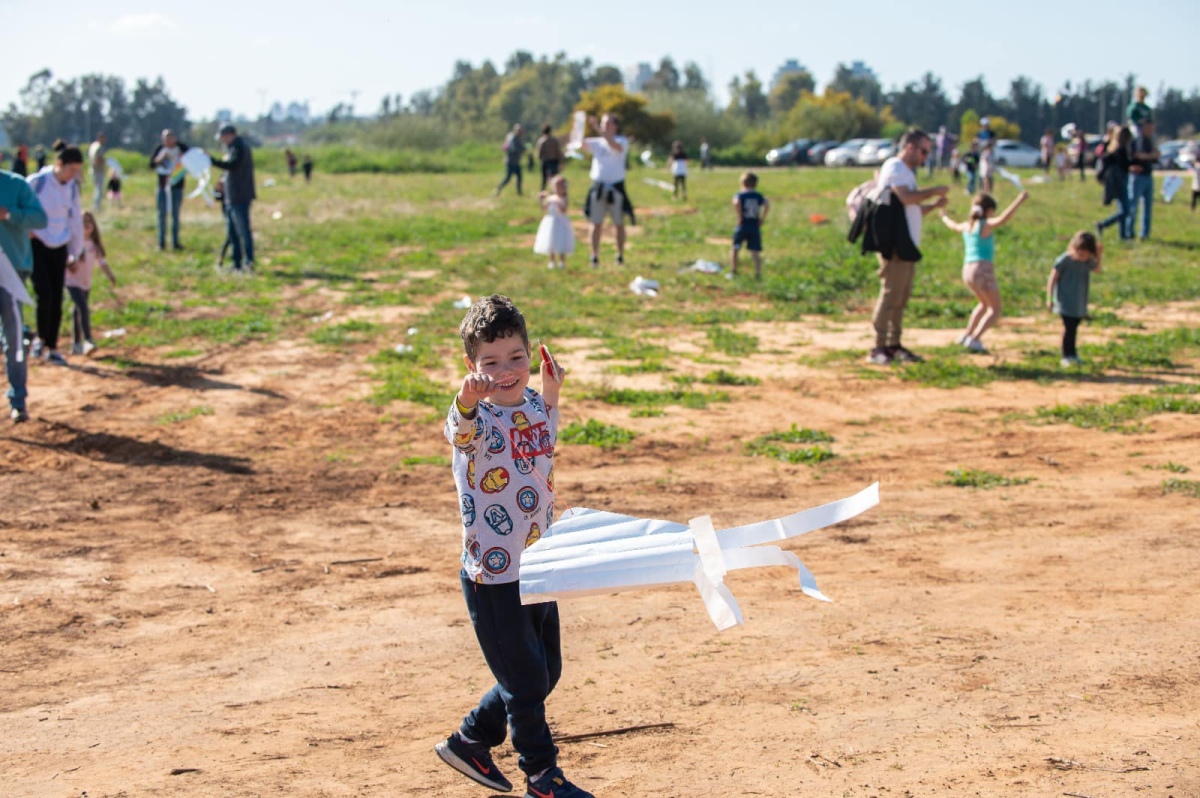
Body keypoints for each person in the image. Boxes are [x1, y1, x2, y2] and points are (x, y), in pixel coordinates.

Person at [434, 295, 592, 798]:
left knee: (545, 670)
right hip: (493, 576)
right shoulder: (475, 421)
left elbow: (544, 438)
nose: (505, 371)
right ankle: (542, 776)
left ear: (530, 352)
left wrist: (550, 391)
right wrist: (465, 397)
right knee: (525, 684)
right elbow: (457, 430)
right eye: (491, 362)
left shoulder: (533, 407)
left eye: (516, 357)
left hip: (539, 565)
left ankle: (472, 738)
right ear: (471, 367)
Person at [864, 128, 949, 365]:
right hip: (895, 245)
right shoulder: (895, 167)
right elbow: (905, 198)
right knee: (891, 294)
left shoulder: (906, 172)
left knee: (901, 297)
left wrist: (933, 205)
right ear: (910, 147)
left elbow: (910, 209)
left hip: (907, 244)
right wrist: (933, 190)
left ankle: (894, 344)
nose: (925, 157)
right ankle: (878, 346)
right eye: (923, 151)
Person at [938, 190, 1029, 354]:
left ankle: (967, 334)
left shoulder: (968, 226)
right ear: (989, 210)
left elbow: (952, 225)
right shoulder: (984, 225)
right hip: (982, 269)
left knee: (983, 304)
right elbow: (1003, 219)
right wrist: (1019, 200)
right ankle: (975, 339)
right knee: (995, 309)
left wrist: (943, 215)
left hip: (967, 270)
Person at [26, 146, 85, 366]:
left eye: (77, 170)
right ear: (59, 164)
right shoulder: (37, 182)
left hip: (59, 245)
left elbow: (75, 221)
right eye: (71, 169)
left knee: (57, 297)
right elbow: (22, 208)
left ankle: (52, 346)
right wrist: (26, 231)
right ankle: (40, 340)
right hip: (37, 243)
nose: (73, 175)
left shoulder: (71, 188)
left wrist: (75, 253)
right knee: (44, 293)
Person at [0, 165, 47, 422]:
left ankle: (18, 399)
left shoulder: (16, 184)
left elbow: (40, 219)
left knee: (13, 338)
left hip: (12, 272)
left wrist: (9, 214)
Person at [581, 114, 635, 267]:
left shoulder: (622, 141)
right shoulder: (596, 142)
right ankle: (594, 256)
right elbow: (581, 145)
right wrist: (579, 128)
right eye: (603, 123)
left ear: (615, 126)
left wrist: (597, 128)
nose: (604, 126)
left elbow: (613, 145)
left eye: (607, 123)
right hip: (598, 187)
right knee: (595, 223)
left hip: (616, 188)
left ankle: (619, 255)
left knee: (618, 223)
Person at [1047, 231, 1102, 367]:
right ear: (1073, 248)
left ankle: (1073, 354)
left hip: (1078, 302)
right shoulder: (1064, 260)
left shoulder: (1087, 262)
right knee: (1069, 328)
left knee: (1074, 328)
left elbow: (1097, 270)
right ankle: (1066, 356)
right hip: (1065, 301)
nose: (1082, 257)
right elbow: (1052, 278)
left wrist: (1099, 254)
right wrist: (1050, 298)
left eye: (1086, 255)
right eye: (1080, 253)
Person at [65, 211, 116, 356]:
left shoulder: (94, 245)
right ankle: (88, 339)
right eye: (82, 222)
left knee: (78, 310)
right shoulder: (74, 243)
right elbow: (67, 258)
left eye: (89, 221)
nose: (86, 225)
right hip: (72, 281)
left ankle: (76, 344)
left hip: (85, 283)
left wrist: (110, 275)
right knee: (83, 307)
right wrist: (70, 263)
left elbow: (102, 263)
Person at [209, 124, 258, 272]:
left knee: (243, 231)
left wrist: (212, 161)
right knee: (232, 232)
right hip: (230, 197)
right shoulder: (231, 148)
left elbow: (232, 165)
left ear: (230, 135)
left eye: (223, 137)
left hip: (240, 196)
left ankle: (248, 262)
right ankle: (236, 263)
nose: (222, 141)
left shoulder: (239, 148)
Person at [150, 129, 188, 251]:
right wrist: (160, 158)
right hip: (162, 187)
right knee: (162, 215)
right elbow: (151, 164)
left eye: (170, 137)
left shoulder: (181, 148)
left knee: (175, 215)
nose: (168, 140)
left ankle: (175, 242)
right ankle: (161, 243)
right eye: (165, 137)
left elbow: (190, 157)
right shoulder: (160, 149)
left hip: (177, 186)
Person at [1096, 127, 1133, 240]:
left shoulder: (1113, 148)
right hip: (1119, 181)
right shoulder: (1121, 150)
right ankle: (1103, 224)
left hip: (1118, 181)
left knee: (1122, 209)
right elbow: (1124, 164)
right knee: (1126, 211)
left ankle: (1123, 236)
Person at [730, 171, 769, 279]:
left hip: (742, 226)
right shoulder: (758, 195)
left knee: (735, 248)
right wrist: (762, 218)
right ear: (755, 184)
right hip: (754, 226)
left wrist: (739, 215)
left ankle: (733, 271)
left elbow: (736, 202)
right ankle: (758, 273)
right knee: (755, 251)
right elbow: (767, 203)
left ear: (742, 183)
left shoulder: (740, 195)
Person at [1126, 120, 1159, 241]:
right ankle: (1129, 232)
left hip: (1148, 175)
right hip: (1137, 177)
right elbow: (1134, 156)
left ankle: (1145, 233)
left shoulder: (1151, 141)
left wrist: (1147, 156)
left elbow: (1156, 155)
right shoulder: (1135, 141)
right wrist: (1149, 155)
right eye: (1149, 127)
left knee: (1148, 207)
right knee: (1133, 205)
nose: (1151, 130)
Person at [533, 175, 574, 270]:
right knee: (551, 241)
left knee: (561, 241)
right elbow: (544, 208)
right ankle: (551, 261)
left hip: (561, 222)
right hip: (550, 222)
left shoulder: (564, 198)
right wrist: (540, 200)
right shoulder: (550, 198)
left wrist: (559, 203)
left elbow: (564, 210)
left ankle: (562, 261)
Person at [495, 124, 525, 197]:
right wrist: (521, 150)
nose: (521, 132)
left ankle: (519, 192)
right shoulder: (513, 138)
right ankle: (498, 189)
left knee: (519, 177)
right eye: (519, 130)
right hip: (511, 162)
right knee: (508, 178)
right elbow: (512, 148)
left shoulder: (517, 138)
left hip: (516, 162)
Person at [535, 124, 562, 192]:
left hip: (545, 161)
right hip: (554, 161)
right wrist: (561, 161)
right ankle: (554, 191)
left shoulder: (542, 141)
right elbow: (558, 151)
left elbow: (539, 153)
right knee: (554, 178)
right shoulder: (555, 140)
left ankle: (543, 191)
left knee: (544, 178)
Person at [87, 132, 107, 211]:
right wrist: (104, 161)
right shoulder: (99, 147)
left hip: (93, 169)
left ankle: (96, 205)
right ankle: (97, 206)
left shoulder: (93, 145)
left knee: (97, 188)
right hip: (98, 170)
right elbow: (98, 159)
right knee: (99, 189)